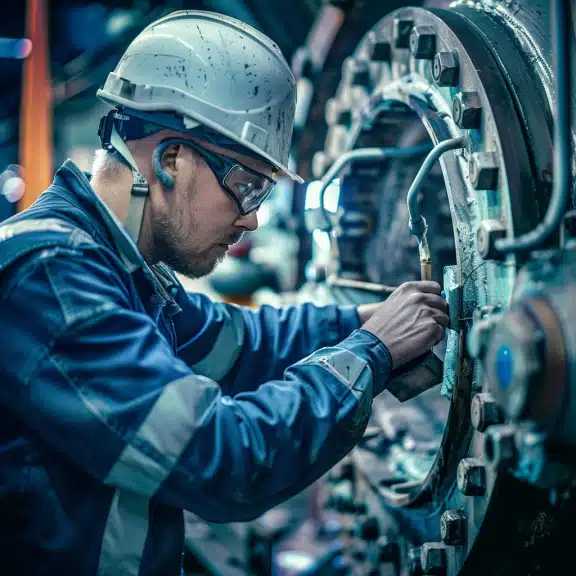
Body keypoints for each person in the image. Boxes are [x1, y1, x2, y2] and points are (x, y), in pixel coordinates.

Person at [0, 10, 449, 576]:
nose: (251, 221)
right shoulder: (52, 277)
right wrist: (370, 353)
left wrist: (365, 319)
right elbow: (221, 459)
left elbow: (242, 343)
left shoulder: (119, 270)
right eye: (246, 187)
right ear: (171, 160)